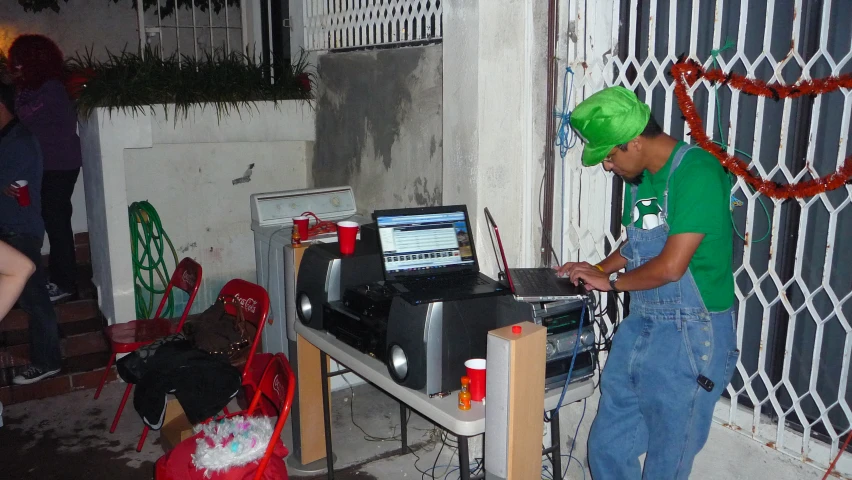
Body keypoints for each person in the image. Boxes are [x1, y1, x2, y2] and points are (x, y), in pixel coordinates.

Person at [558, 86, 739, 479]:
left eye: (609, 155)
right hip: (644, 324)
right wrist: (599, 269)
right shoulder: (642, 179)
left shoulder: (699, 173)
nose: (607, 167)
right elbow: (640, 241)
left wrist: (613, 284)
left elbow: (671, 266)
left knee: (665, 463)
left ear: (634, 142)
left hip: (692, 334)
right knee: (607, 446)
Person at [7, 34, 82, 303]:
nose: (13, 65)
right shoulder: (28, 87)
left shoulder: (50, 88)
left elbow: (39, 123)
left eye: (18, 60)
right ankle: (57, 278)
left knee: (56, 220)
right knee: (50, 219)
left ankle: (66, 282)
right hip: (43, 165)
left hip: (60, 164)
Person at [0, 80, 62, 385]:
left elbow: (12, 185)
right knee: (31, 297)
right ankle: (47, 359)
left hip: (20, 230)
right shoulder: (8, 138)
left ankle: (48, 361)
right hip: (12, 229)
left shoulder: (20, 141)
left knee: (34, 298)